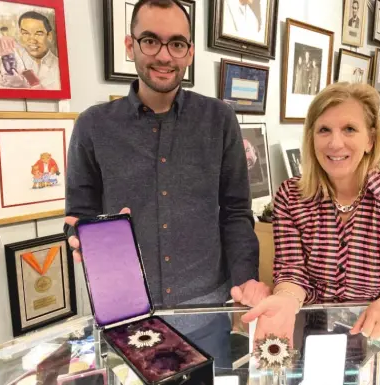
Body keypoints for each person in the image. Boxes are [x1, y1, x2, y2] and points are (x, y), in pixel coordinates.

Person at [64, 0, 270, 368]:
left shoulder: (219, 119)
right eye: (150, 41)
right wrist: (78, 237)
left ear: (189, 52)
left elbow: (236, 211)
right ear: (130, 46)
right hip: (124, 315)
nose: (164, 55)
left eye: (176, 43)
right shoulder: (93, 126)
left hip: (206, 312)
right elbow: (79, 217)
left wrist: (245, 279)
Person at [240, 82, 380, 344]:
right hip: (312, 331)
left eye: (349, 129)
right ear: (312, 138)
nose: (335, 143)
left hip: (376, 334)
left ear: (370, 139)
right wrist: (285, 298)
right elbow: (291, 270)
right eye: (324, 130)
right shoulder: (291, 196)